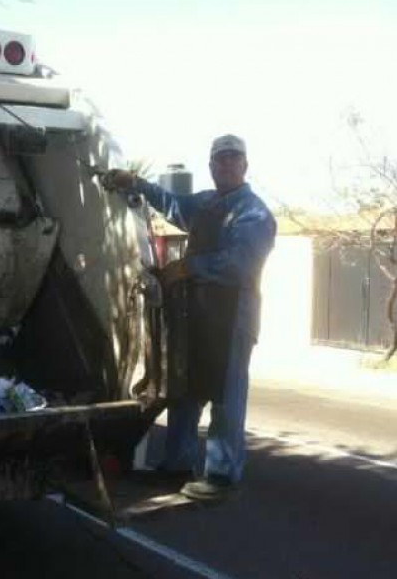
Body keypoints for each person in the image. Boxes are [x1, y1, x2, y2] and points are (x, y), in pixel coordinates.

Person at [105, 134, 276, 500]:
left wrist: (187, 267)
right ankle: (176, 466)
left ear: (245, 165)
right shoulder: (206, 203)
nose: (226, 164)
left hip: (233, 316)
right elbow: (173, 203)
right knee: (186, 389)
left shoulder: (255, 212)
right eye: (220, 159)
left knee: (226, 395)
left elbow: (241, 264)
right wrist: (136, 184)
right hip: (198, 313)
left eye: (233, 159)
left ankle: (221, 475)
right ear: (211, 165)